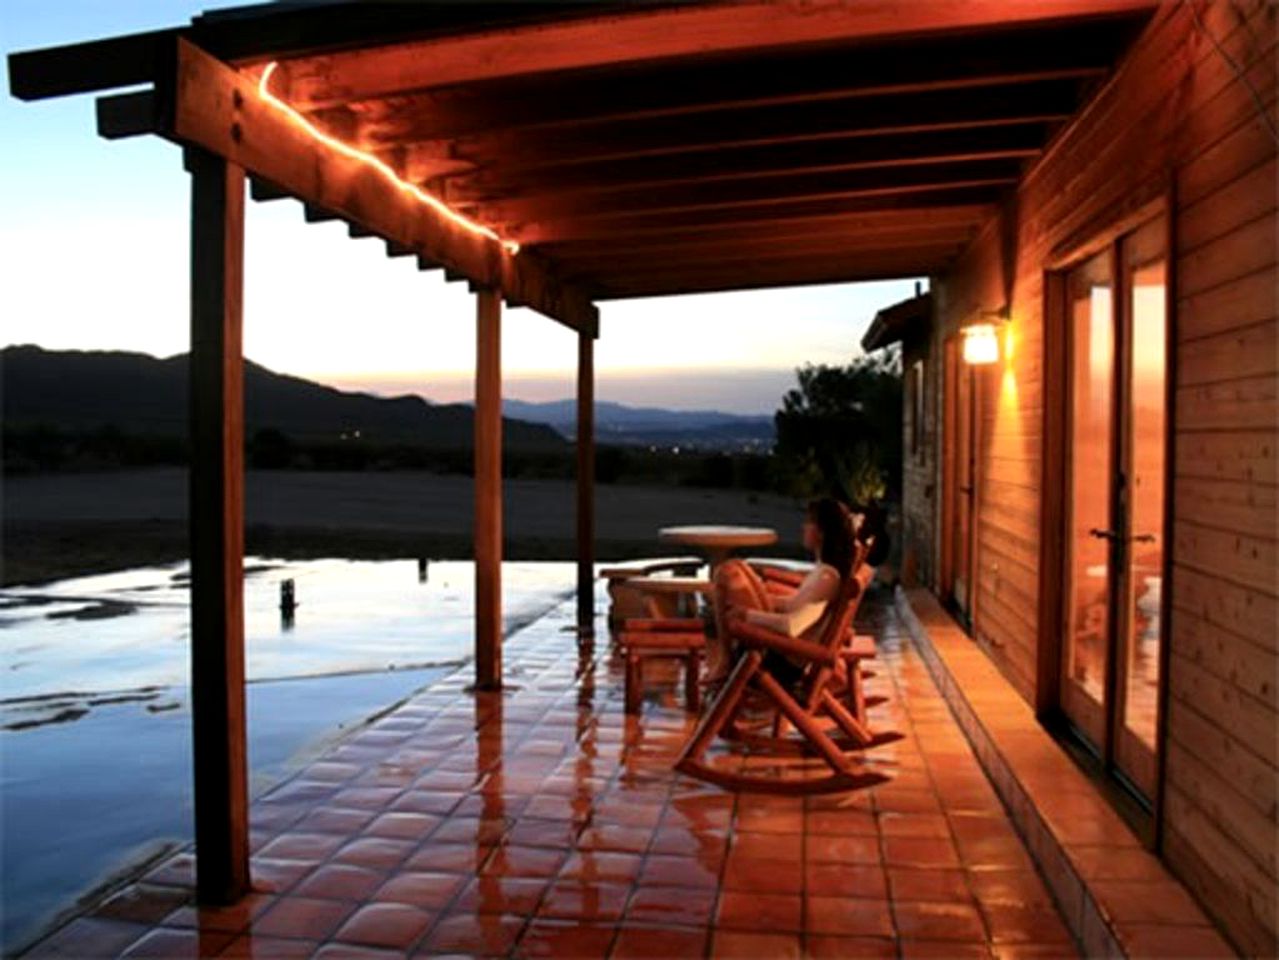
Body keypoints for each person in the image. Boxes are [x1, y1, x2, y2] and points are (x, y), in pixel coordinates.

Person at [705, 497, 856, 684]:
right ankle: (724, 655)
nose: (803, 527)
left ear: (822, 533)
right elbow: (793, 606)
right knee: (737, 566)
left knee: (727, 573)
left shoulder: (827, 579)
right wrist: (763, 596)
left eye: (809, 522)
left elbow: (792, 626)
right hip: (779, 651)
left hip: (779, 663)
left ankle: (725, 659)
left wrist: (746, 614)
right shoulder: (825, 572)